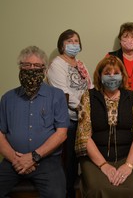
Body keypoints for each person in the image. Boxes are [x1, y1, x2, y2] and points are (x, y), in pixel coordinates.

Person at [0, 46, 69, 198]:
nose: (32, 69)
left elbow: (62, 133)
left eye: (37, 66)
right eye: (27, 65)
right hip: (13, 160)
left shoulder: (56, 96)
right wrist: (16, 159)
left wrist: (33, 157)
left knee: (57, 195)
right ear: (20, 68)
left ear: (44, 70)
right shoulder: (7, 98)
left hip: (47, 161)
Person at [75, 55, 133, 198]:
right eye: (107, 73)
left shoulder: (132, 98)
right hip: (96, 159)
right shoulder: (88, 97)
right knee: (98, 188)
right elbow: (84, 136)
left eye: (116, 73)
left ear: (122, 76)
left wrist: (129, 165)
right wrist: (104, 166)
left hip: (126, 157)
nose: (112, 77)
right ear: (100, 76)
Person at [47, 29, 93, 198]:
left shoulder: (80, 64)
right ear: (61, 45)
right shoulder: (56, 65)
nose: (74, 44)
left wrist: (94, 104)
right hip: (69, 118)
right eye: (69, 41)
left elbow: (90, 86)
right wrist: (85, 108)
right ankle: (68, 192)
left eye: (76, 41)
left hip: (84, 115)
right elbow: (63, 94)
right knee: (70, 160)